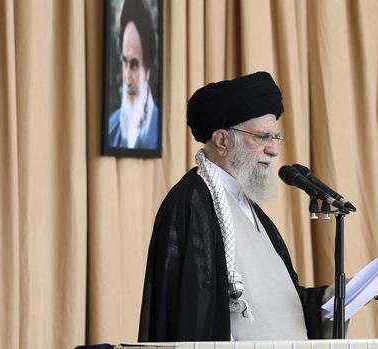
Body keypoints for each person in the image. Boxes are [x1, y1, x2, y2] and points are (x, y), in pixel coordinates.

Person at [138, 72, 333, 342]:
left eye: (276, 138)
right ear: (222, 141)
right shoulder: (192, 203)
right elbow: (190, 315)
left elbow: (274, 306)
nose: (274, 150)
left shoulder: (250, 208)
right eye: (263, 137)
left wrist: (332, 301)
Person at [108, 0, 159, 149]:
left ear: (148, 69)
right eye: (125, 62)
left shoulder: (159, 128)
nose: (127, 79)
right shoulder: (111, 127)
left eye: (135, 65)